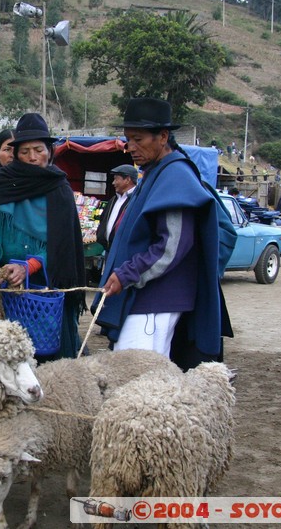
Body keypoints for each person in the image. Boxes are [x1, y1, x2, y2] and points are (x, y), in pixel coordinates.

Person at [93, 98, 235, 369]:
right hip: (146, 298)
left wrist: (127, 273)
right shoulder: (155, 172)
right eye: (127, 139)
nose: (130, 147)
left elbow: (172, 245)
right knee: (133, 374)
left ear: (163, 136)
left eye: (138, 139)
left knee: (136, 375)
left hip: (156, 301)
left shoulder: (175, 175)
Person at [0, 113, 86, 361]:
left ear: (49, 151)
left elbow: (63, 245)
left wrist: (29, 266)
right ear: (16, 153)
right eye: (25, 150)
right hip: (4, 287)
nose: (32, 157)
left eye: (38, 149)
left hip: (45, 289)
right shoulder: (1, 183)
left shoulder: (59, 189)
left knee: (45, 359)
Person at [95, 164, 138, 253]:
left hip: (125, 252)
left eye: (116, 179)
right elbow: (103, 219)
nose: (113, 183)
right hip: (109, 249)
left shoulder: (137, 200)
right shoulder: (114, 200)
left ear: (127, 180)